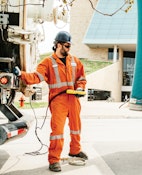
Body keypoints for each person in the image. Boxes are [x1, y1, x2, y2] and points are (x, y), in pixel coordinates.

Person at [14, 31, 88, 172]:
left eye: (69, 46)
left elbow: (81, 78)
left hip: (73, 99)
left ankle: (75, 150)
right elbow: (35, 77)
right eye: (66, 46)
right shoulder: (48, 62)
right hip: (58, 101)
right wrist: (21, 74)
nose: (68, 48)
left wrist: (80, 87)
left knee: (76, 128)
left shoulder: (75, 61)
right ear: (58, 45)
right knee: (57, 132)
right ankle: (54, 159)